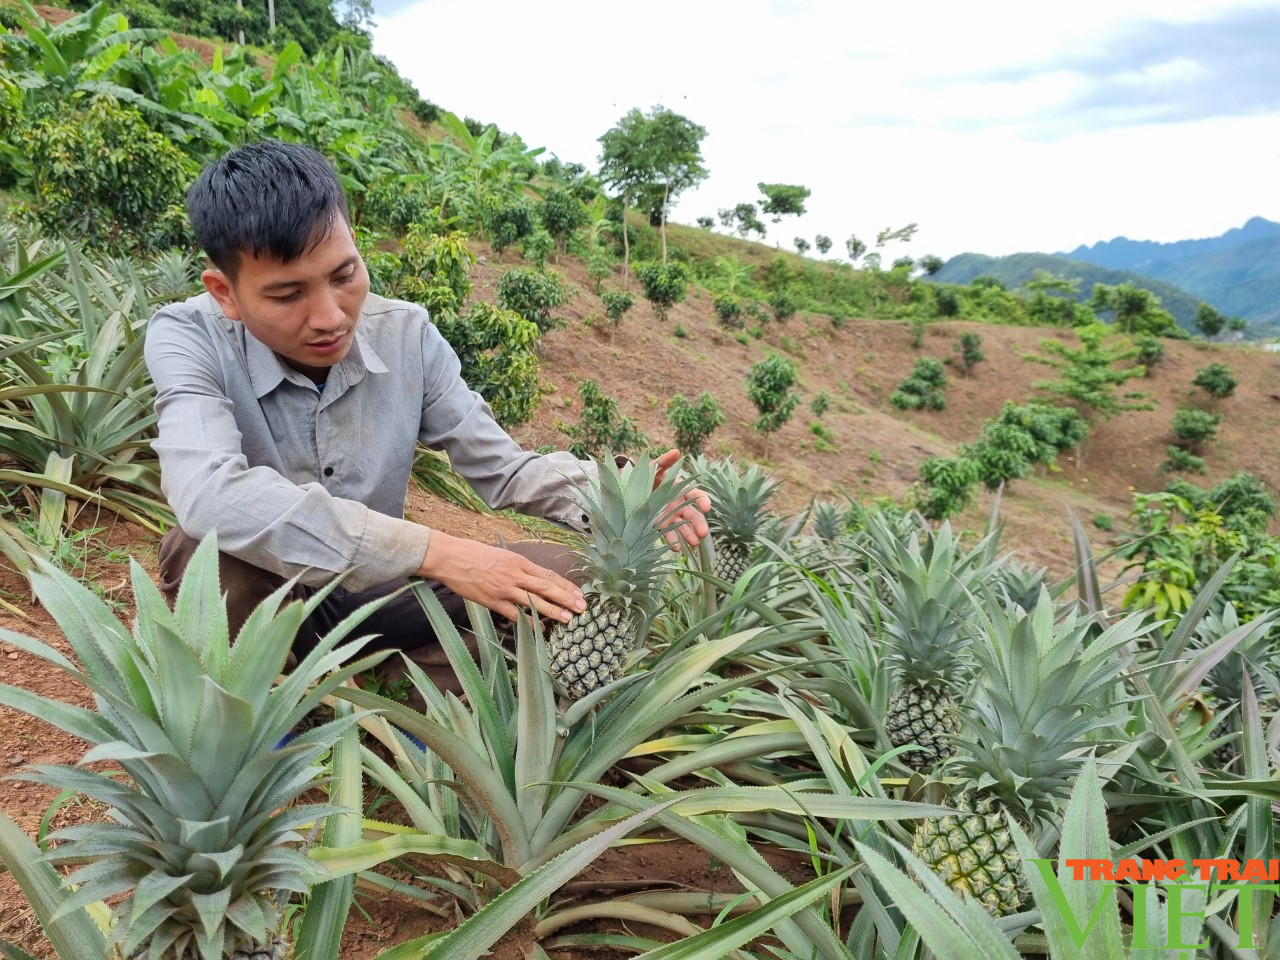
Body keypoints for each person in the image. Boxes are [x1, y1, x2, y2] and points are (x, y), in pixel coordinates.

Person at [144, 139, 711, 686]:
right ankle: (248, 698)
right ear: (226, 293)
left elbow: (504, 470)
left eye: (344, 276)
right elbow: (209, 492)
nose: (330, 317)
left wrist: (621, 491)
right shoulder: (189, 335)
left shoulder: (407, 335)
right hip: (267, 587)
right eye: (288, 295)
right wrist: (434, 551)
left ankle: (406, 689)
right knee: (205, 546)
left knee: (566, 582)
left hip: (373, 587)